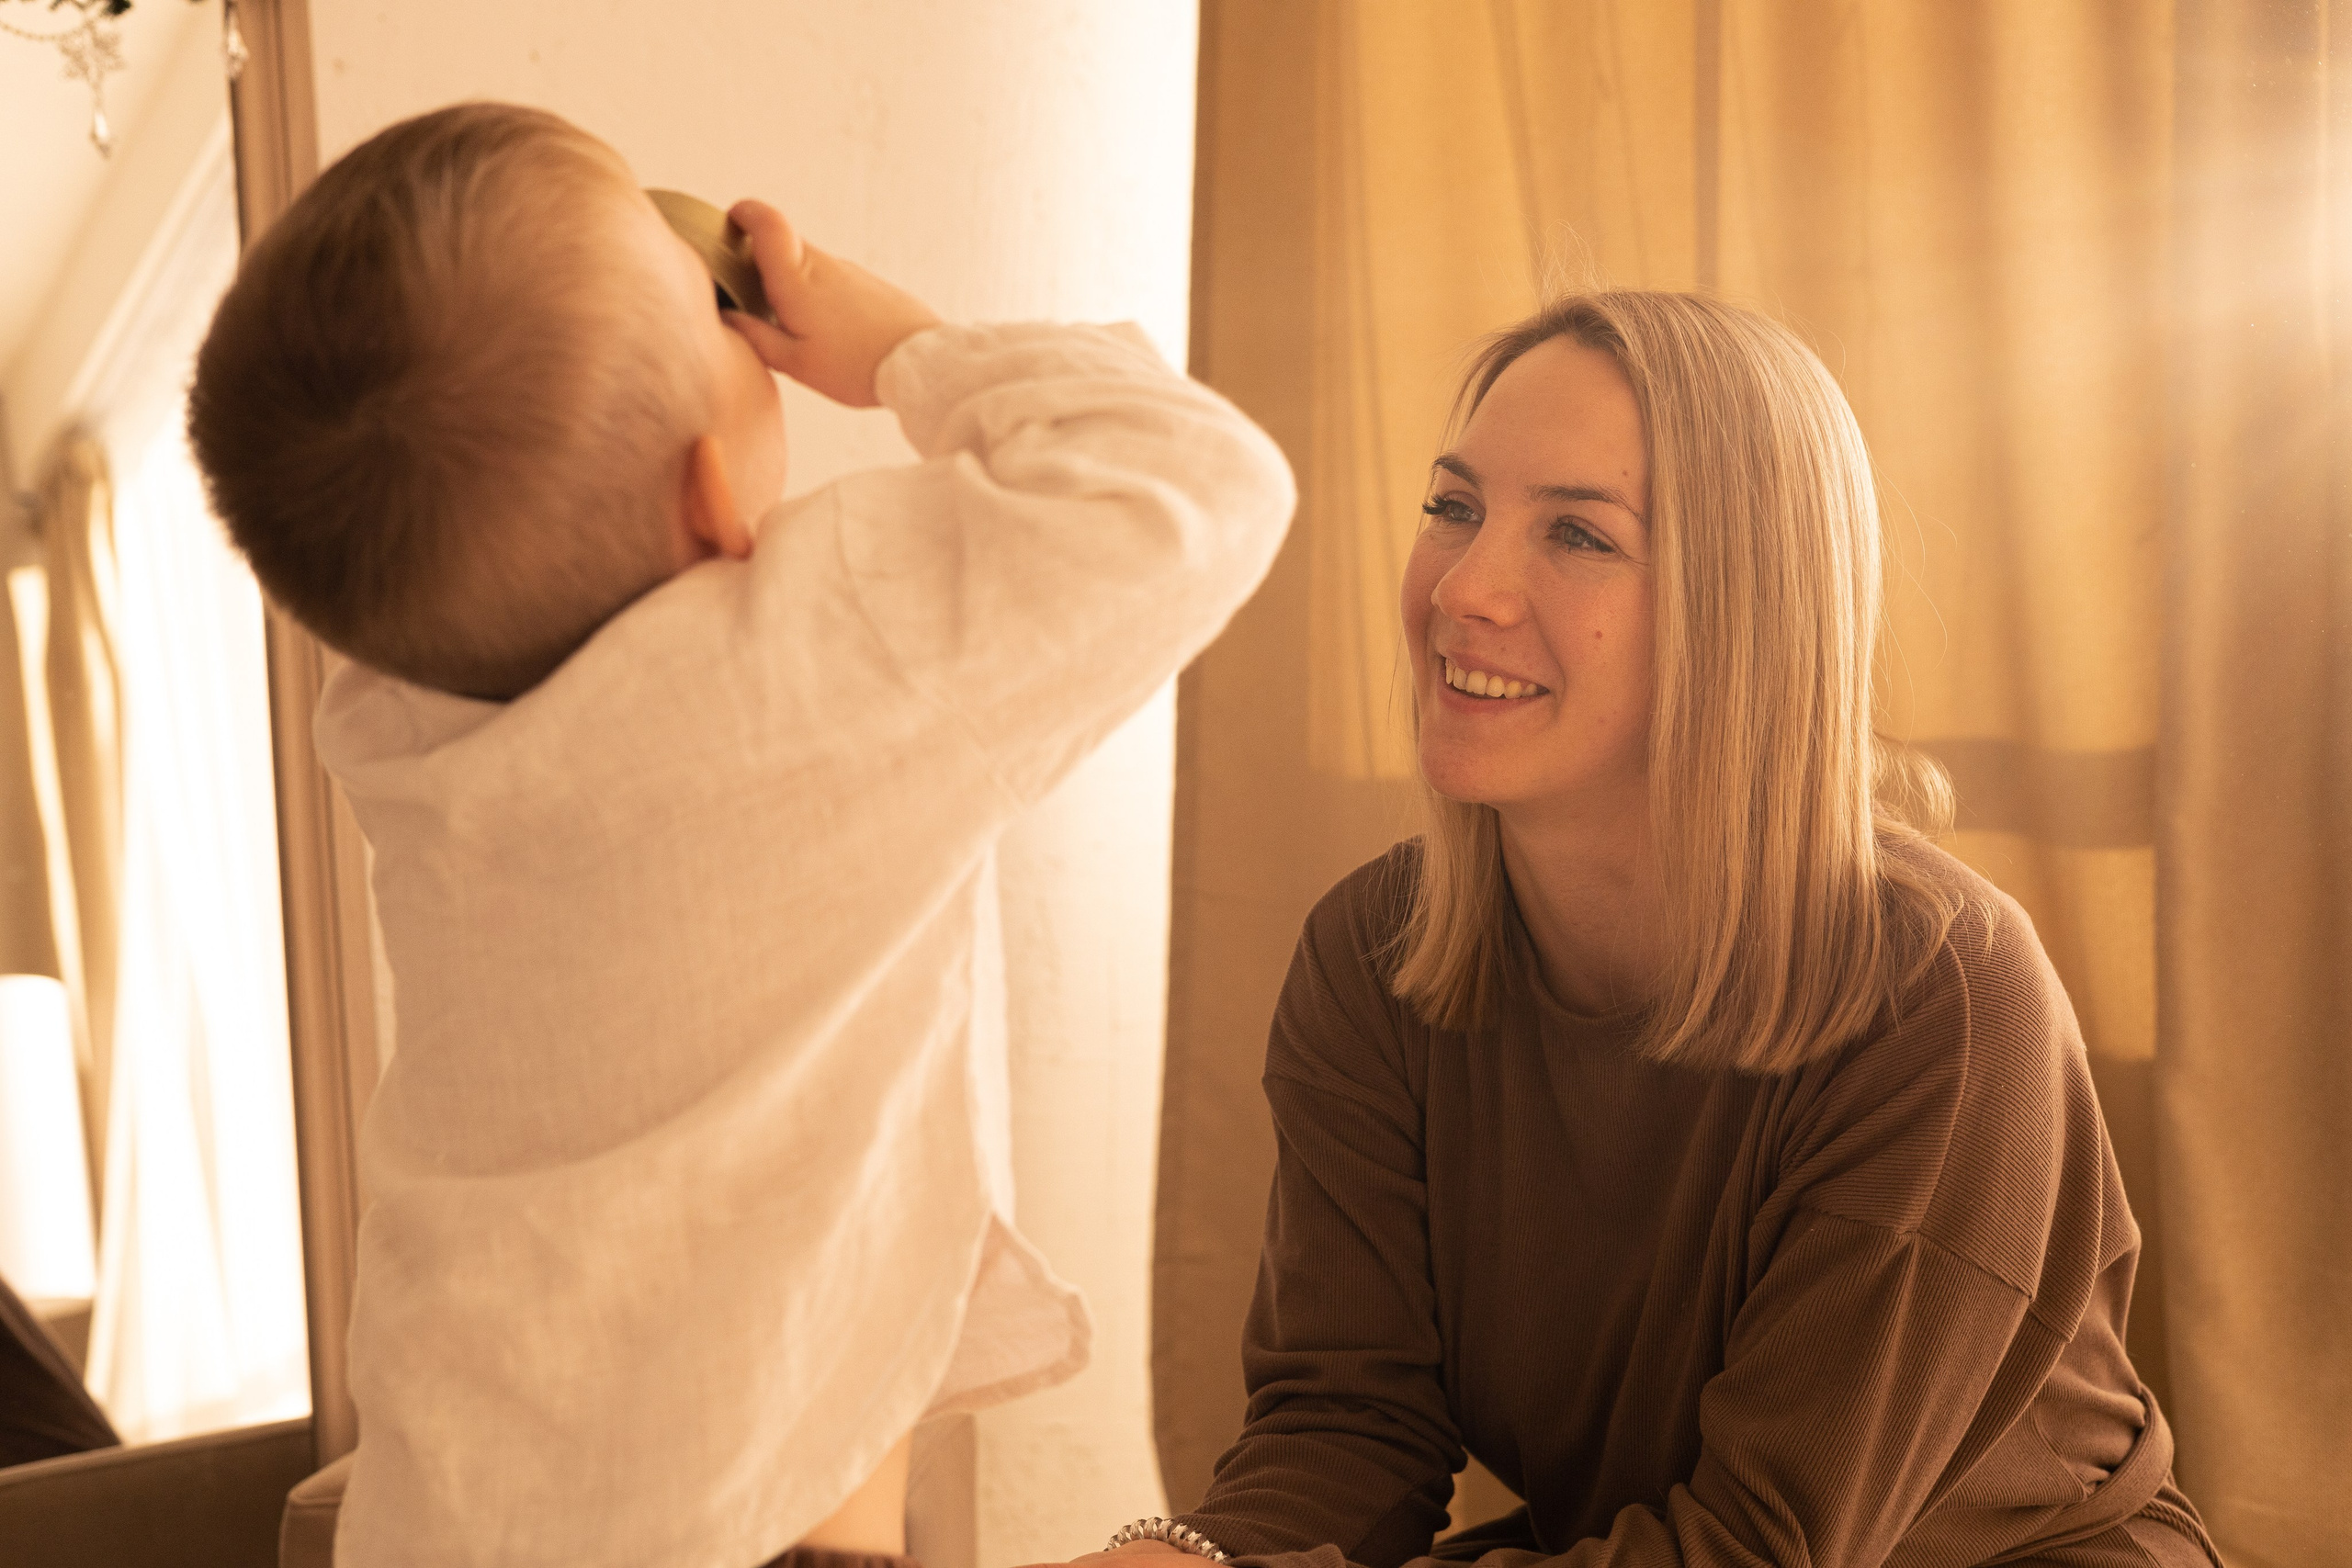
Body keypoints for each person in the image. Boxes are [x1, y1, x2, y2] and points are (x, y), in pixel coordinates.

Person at [186, 102, 1293, 1568]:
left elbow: (411, 490)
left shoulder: (401, 729)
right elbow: (1202, 482)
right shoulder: (818, 664)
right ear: (711, 495)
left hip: (439, 1522)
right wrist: (891, 341)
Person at [1059, 294, 2220, 1568]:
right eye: (1454, 508)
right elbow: (1345, 1433)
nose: (1466, 586)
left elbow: (1762, 1548)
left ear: (1746, 607)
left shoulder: (1940, 993)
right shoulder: (1371, 956)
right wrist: (1188, 1558)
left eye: (1576, 534)